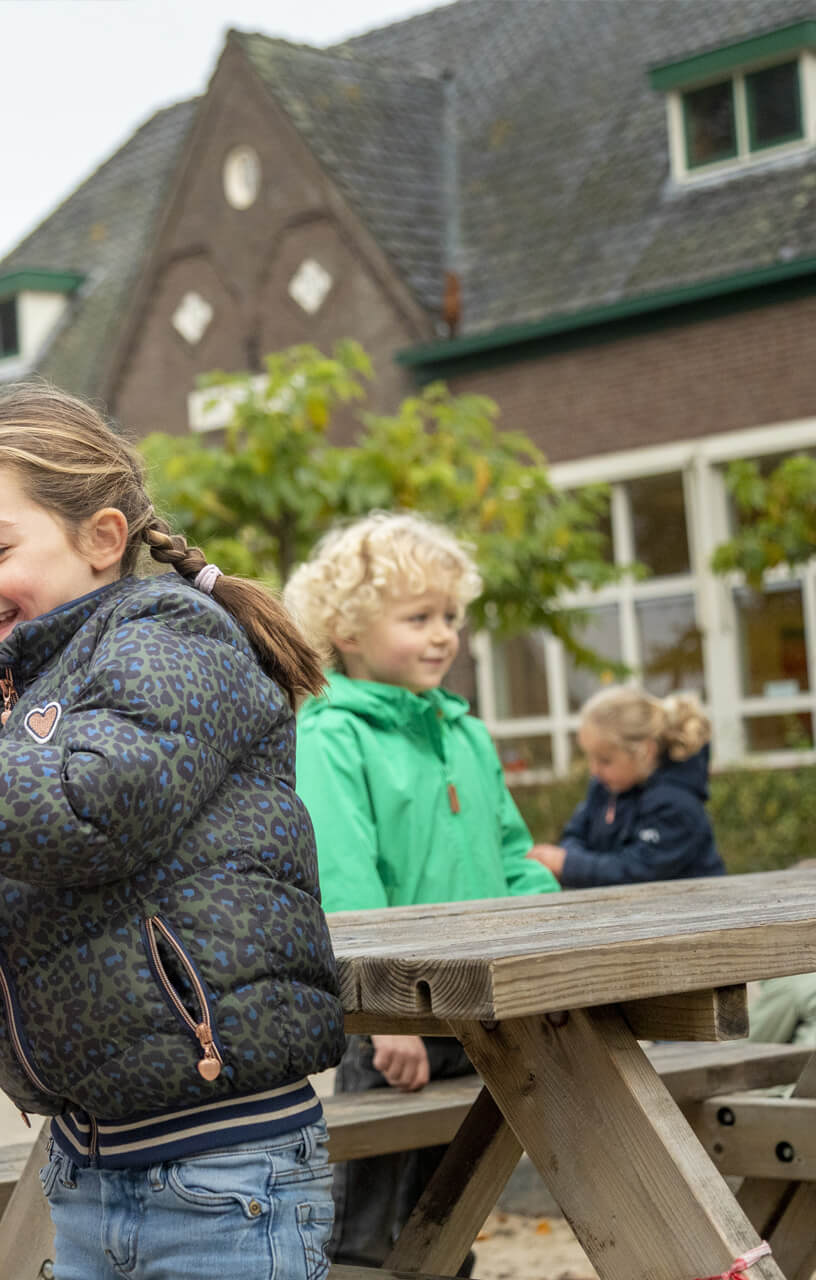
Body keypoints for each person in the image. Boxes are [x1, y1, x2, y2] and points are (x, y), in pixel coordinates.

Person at [0, 382, 348, 1280]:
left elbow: (93, 808)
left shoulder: (176, 637)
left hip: (223, 1167)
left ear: (102, 538)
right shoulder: (7, 728)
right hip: (84, 1173)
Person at [281, 510, 558, 1273]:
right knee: (367, 1238)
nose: (443, 635)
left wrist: (549, 948)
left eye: (450, 617)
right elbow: (342, 883)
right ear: (348, 631)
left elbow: (512, 856)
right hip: (398, 1025)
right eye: (418, 618)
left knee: (451, 1219)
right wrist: (383, 1019)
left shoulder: (464, 734)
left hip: (485, 1015)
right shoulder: (333, 734)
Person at [525, 685, 722, 887]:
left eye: (605, 760)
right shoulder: (606, 788)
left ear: (645, 751)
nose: (594, 770)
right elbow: (574, 834)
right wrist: (567, 859)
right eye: (589, 758)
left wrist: (568, 864)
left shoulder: (676, 805)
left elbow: (640, 870)